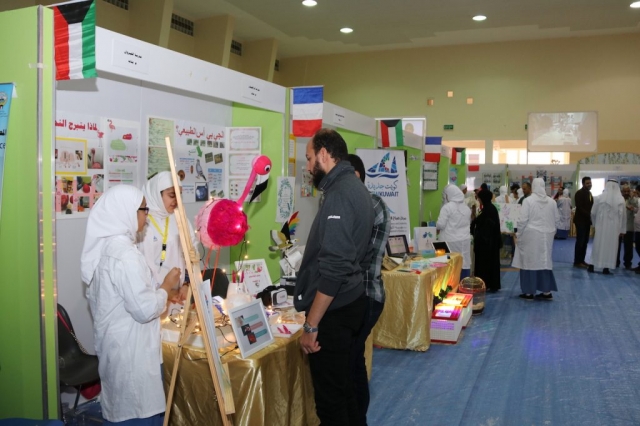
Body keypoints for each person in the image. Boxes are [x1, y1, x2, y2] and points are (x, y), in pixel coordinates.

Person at [81, 185, 181, 425]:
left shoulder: (106, 248)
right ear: (126, 211)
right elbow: (145, 310)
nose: (147, 215)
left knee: (122, 410)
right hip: (132, 355)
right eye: (143, 209)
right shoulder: (125, 255)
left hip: (117, 349)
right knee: (137, 413)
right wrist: (166, 287)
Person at [294, 128, 374, 426]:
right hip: (351, 300)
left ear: (324, 155)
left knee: (331, 404)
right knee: (347, 390)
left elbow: (334, 268)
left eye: (309, 158)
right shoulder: (354, 187)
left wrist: (311, 324)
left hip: (336, 312)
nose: (307, 166)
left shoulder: (339, 195)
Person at [346, 153, 390, 426]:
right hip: (364, 293)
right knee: (354, 360)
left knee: (350, 361)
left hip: (363, 294)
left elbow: (351, 255)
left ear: (355, 176)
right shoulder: (368, 203)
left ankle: (357, 418)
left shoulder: (368, 205)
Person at [138, 171, 198, 306]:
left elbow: (191, 253)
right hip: (150, 299)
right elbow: (137, 267)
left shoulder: (180, 219)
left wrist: (186, 283)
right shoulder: (141, 220)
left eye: (179, 195)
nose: (176, 200)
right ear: (156, 194)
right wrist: (164, 291)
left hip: (178, 296)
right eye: (171, 195)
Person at [512, 178, 559, 300]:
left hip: (530, 236)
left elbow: (523, 220)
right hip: (547, 236)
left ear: (533, 187)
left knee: (529, 262)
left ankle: (529, 292)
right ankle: (546, 291)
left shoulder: (528, 201)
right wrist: (551, 232)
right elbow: (557, 220)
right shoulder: (552, 202)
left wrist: (518, 234)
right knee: (544, 262)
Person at [589, 180, 626, 274]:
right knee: (610, 247)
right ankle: (606, 268)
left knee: (598, 245)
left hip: (601, 227)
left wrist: (595, 224)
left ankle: (592, 266)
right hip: (614, 228)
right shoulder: (620, 200)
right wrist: (622, 229)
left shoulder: (598, 198)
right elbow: (623, 216)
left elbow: (593, 213)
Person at [437, 184, 472, 279]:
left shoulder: (447, 207)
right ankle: (464, 285)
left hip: (449, 241)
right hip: (464, 241)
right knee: (464, 263)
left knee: (449, 266)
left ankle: (451, 286)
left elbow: (440, 225)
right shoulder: (466, 208)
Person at [471, 189, 502, 292]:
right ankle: (489, 283)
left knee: (485, 264)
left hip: (487, 244)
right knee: (490, 264)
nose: (478, 200)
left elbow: (486, 227)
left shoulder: (488, 210)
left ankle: (486, 283)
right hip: (490, 243)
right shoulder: (489, 208)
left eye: (479, 198)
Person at [573, 176, 593, 268]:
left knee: (585, 241)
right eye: (587, 183)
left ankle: (582, 260)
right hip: (580, 221)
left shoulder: (589, 193)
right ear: (583, 184)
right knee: (580, 241)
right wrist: (590, 214)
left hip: (587, 221)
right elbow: (579, 207)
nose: (589, 185)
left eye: (590, 183)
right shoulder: (579, 193)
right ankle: (577, 261)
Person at [617, 184, 637, 269]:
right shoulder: (618, 199)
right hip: (618, 226)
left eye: (628, 191)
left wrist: (632, 198)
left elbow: (636, 208)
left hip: (629, 225)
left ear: (630, 191)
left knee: (628, 246)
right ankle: (616, 262)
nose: (626, 193)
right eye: (624, 191)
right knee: (617, 245)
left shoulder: (633, 199)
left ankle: (628, 263)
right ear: (621, 191)